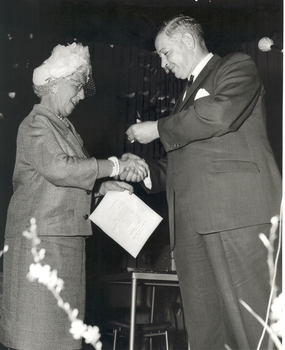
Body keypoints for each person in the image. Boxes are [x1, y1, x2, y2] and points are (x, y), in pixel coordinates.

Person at [124, 15, 282, 350]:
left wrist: (158, 128)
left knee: (255, 329)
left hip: (235, 217)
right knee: (207, 334)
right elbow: (189, 161)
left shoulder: (237, 66)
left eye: (166, 53)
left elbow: (220, 113)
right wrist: (147, 171)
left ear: (187, 40)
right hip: (193, 229)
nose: (164, 64)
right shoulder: (185, 97)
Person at [0, 42, 149, 350]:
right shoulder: (36, 123)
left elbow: (62, 185)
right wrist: (116, 166)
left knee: (62, 341)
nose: (82, 96)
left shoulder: (65, 129)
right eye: (78, 86)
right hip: (41, 247)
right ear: (55, 83)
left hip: (64, 245)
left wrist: (101, 189)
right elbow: (60, 168)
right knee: (37, 339)